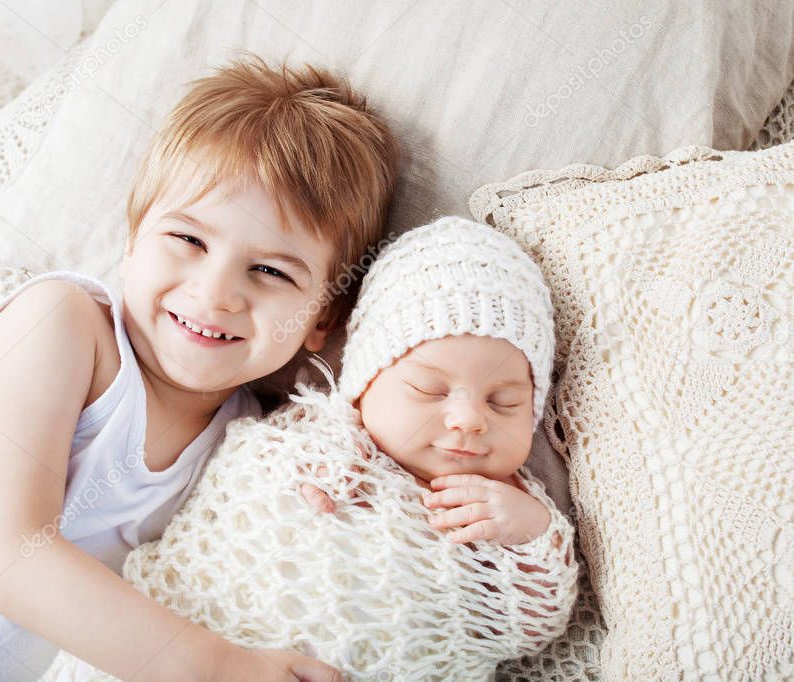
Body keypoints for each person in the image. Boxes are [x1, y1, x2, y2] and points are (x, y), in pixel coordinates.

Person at [0, 53, 399, 681]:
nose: (215, 293)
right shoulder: (64, 325)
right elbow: (13, 559)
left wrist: (336, 460)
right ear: (132, 241)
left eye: (270, 271)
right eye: (189, 240)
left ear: (322, 317)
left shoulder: (241, 432)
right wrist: (221, 668)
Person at [121, 216, 579, 679]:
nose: (468, 419)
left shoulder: (507, 504)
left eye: (505, 403)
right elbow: (241, 486)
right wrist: (305, 475)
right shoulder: (316, 436)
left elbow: (535, 626)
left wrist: (533, 535)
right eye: (429, 389)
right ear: (363, 384)